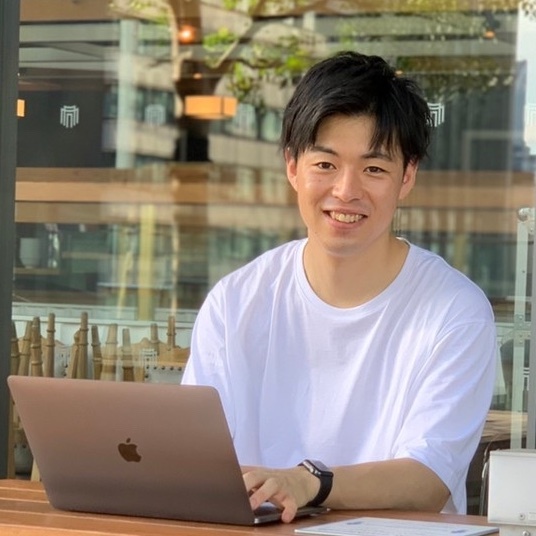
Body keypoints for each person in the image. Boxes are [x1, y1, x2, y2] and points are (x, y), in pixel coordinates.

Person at [181, 51, 497, 522]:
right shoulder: (236, 301)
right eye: (326, 164)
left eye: (374, 169)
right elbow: (191, 454)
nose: (346, 191)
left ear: (407, 177)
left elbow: (428, 477)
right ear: (292, 167)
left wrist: (309, 482)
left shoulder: (455, 310)